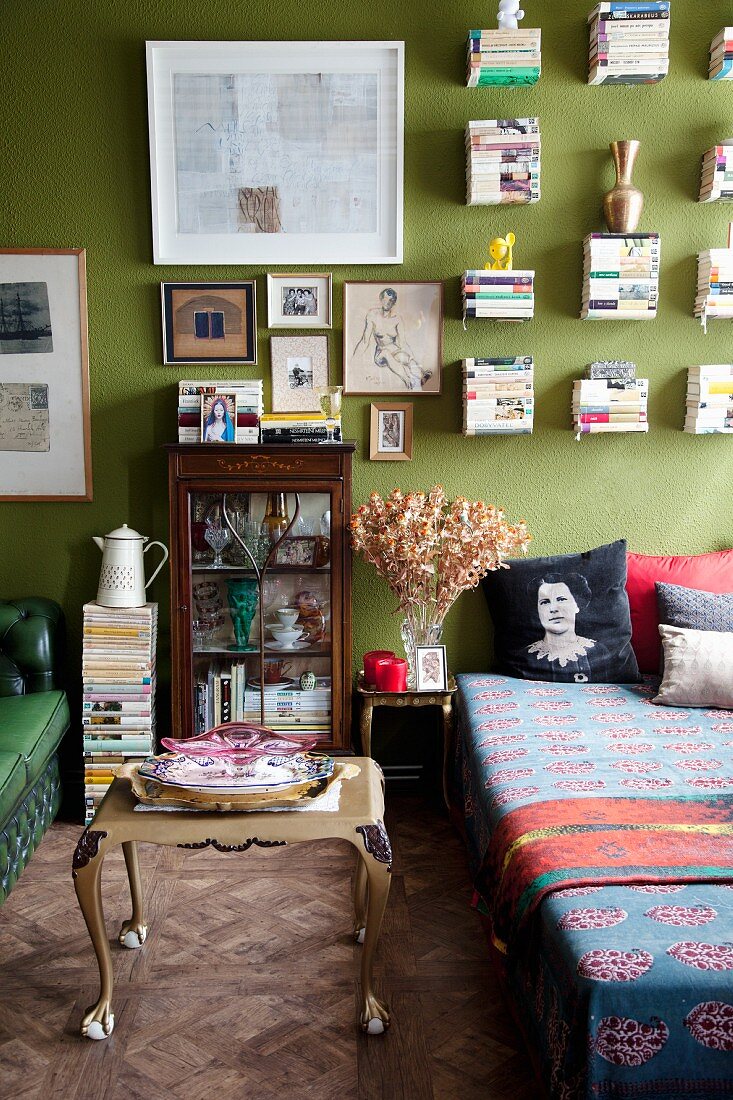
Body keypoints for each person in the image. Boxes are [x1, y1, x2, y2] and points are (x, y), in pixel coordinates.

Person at [522, 572, 612, 683]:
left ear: (577, 605)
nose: (553, 608)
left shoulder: (599, 651)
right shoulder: (526, 655)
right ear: (538, 611)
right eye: (545, 602)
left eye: (561, 599)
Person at [352, 287, 430, 391]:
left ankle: (422, 376)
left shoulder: (397, 319)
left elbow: (402, 342)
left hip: (394, 349)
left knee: (406, 358)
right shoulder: (372, 315)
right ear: (381, 299)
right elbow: (365, 340)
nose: (388, 303)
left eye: (391, 301)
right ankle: (408, 380)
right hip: (380, 353)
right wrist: (355, 359)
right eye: (386, 299)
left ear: (394, 303)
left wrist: (410, 357)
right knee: (386, 352)